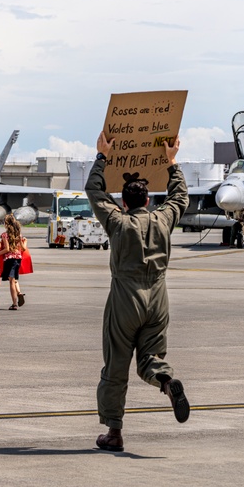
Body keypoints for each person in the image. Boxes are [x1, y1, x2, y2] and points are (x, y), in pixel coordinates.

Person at [85, 132, 190, 452]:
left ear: (124, 203)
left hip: (125, 299)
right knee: (151, 359)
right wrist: (171, 162)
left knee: (116, 366)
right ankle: (167, 382)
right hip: (158, 297)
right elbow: (180, 197)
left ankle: (114, 433)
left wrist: (102, 156)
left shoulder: (117, 222)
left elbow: (93, 190)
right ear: (147, 201)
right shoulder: (163, 218)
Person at [0, 214, 27, 310]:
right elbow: (23, 248)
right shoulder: (18, 234)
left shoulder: (5, 235)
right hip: (18, 259)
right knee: (14, 278)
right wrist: (25, 241)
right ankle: (19, 292)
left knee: (11, 280)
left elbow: (7, 249)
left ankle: (14, 303)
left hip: (9, 259)